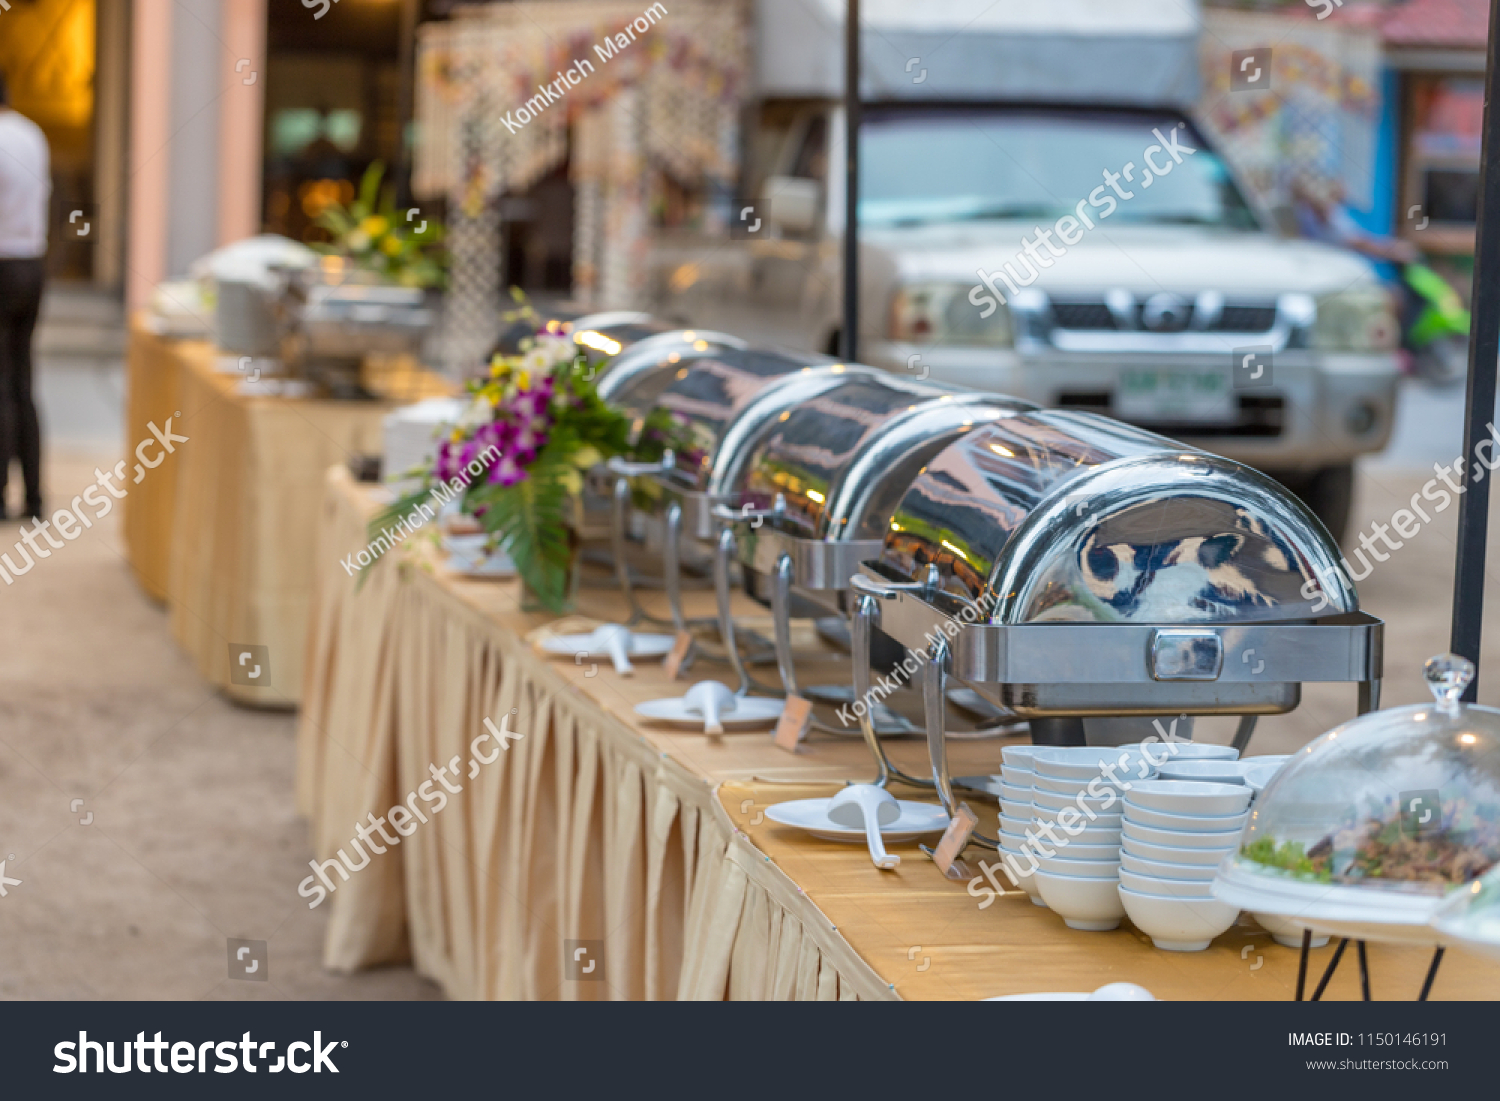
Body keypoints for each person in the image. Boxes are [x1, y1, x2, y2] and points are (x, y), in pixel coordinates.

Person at [0, 68, 50, 521]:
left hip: (2, 263)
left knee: (1, 385)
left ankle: (0, 496)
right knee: (22, 381)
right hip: (32, 265)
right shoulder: (32, 134)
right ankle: (34, 496)